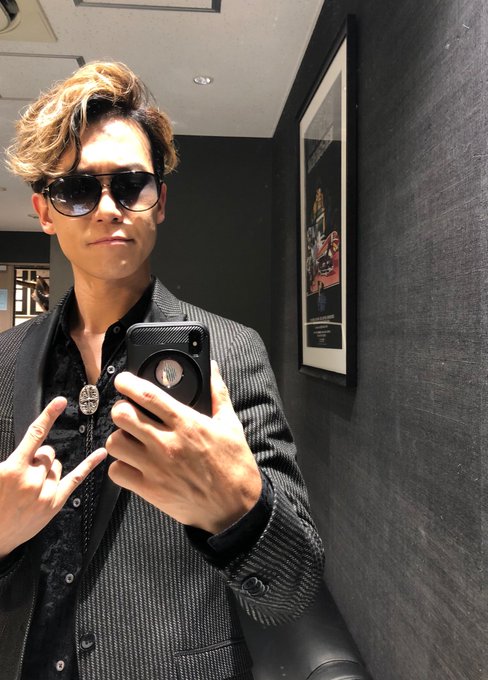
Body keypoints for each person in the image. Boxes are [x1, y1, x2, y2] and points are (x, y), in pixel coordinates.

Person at [0, 61, 324, 680]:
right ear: (45, 211)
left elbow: (292, 591)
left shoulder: (234, 353)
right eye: (77, 190)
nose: (107, 208)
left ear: (160, 202)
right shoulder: (4, 363)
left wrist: (240, 509)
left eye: (130, 185)